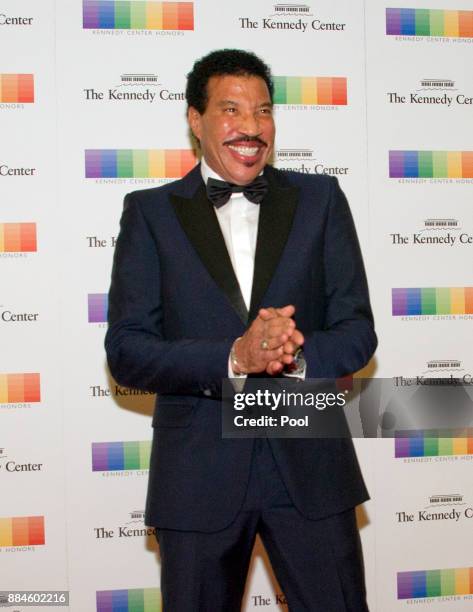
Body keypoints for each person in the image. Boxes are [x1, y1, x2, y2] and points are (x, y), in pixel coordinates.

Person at [105, 49, 377, 611]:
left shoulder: (320, 200)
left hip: (309, 469)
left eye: (263, 110)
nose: (251, 127)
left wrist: (294, 353)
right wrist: (235, 356)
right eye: (231, 109)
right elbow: (128, 350)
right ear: (195, 119)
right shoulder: (150, 213)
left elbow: (357, 332)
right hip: (199, 475)